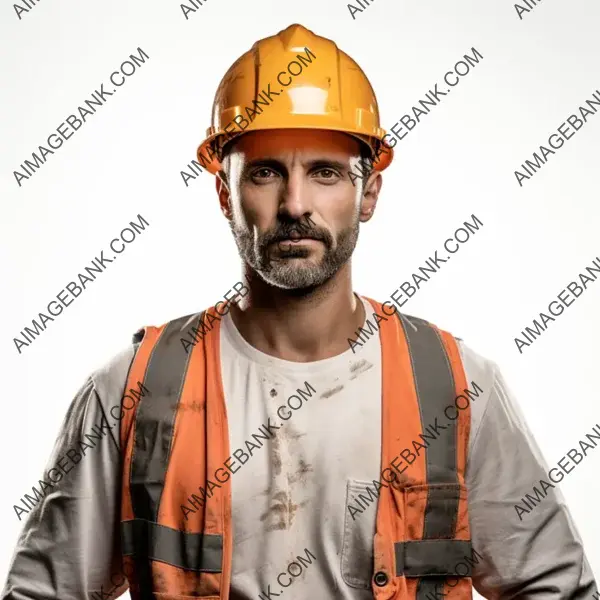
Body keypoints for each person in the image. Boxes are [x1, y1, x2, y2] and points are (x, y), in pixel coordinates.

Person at [2, 23, 597, 600]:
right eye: (264, 173)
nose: (294, 204)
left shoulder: (455, 386)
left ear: (368, 194)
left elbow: (551, 586)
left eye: (326, 173)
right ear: (223, 194)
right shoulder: (132, 389)